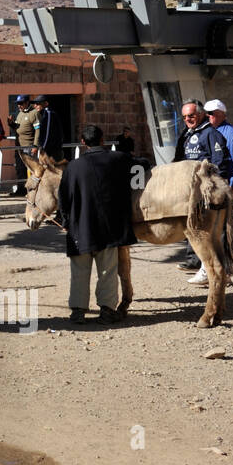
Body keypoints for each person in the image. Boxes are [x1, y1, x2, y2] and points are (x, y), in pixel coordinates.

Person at [58, 125, 138, 324]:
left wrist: (66, 222)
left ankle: (78, 311)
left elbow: (63, 200)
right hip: (108, 229)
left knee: (79, 272)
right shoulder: (118, 159)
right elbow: (141, 164)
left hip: (80, 229)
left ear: (83, 143)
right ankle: (107, 310)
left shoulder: (72, 167)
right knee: (107, 271)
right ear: (103, 140)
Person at [182, 99, 233, 282]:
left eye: (213, 113)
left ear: (223, 114)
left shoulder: (232, 134)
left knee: (223, 227)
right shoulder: (199, 132)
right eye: (208, 113)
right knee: (209, 226)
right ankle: (211, 266)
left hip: (224, 186)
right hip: (207, 188)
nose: (209, 116)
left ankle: (226, 268)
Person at [8, 94, 39, 195]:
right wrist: (11, 123)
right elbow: (17, 127)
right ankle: (21, 190)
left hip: (29, 146)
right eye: (17, 104)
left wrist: (35, 146)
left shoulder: (34, 113)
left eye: (21, 103)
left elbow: (38, 130)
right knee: (20, 169)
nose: (19, 106)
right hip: (19, 147)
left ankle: (32, 191)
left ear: (27, 103)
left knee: (31, 170)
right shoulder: (20, 113)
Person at [32, 95, 64, 161]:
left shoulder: (49, 113)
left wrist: (43, 148)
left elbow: (47, 133)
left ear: (46, 103)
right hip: (49, 149)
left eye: (38, 104)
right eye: (35, 104)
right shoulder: (43, 114)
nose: (35, 106)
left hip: (51, 151)